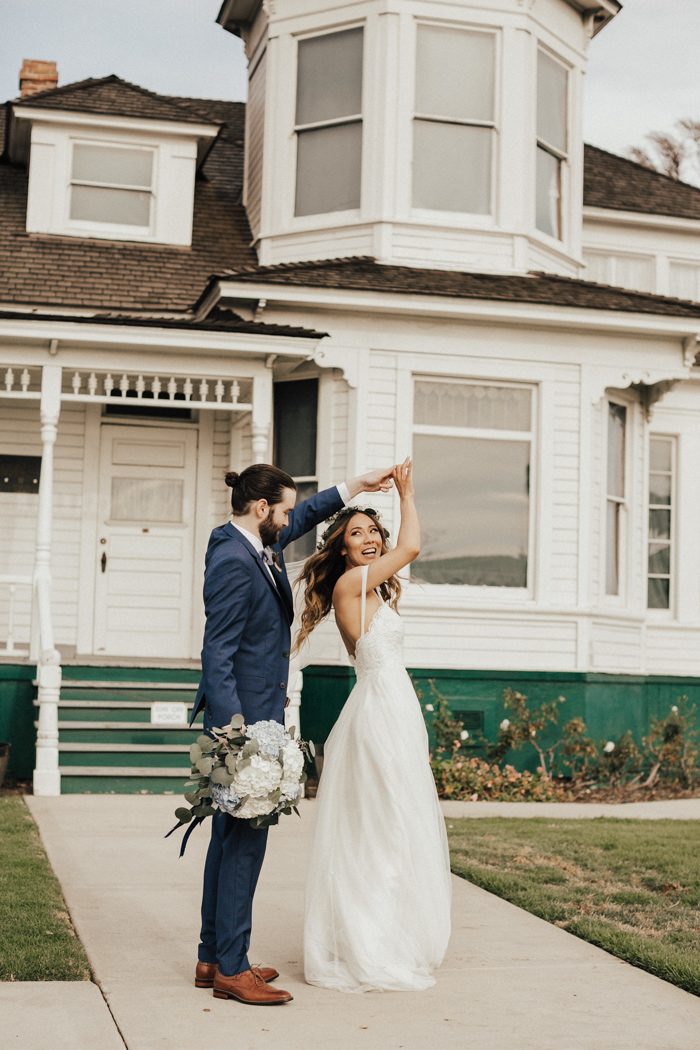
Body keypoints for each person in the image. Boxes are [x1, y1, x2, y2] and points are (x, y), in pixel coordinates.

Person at [189, 462, 395, 1006]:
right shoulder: (236, 559)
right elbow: (218, 653)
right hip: (245, 727)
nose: (289, 518)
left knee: (228, 841)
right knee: (243, 847)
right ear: (261, 510)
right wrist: (239, 740)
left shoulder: (252, 542)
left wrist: (356, 487)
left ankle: (214, 957)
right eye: (282, 509)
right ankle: (233, 969)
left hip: (256, 718)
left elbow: (305, 514)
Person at [296, 457, 452, 993]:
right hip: (377, 714)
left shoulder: (377, 589)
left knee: (396, 826)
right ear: (342, 548)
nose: (366, 538)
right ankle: (370, 941)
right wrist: (407, 492)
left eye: (371, 531)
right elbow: (409, 548)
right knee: (380, 829)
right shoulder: (351, 586)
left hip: (396, 708)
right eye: (355, 533)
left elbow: (399, 553)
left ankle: (391, 931)